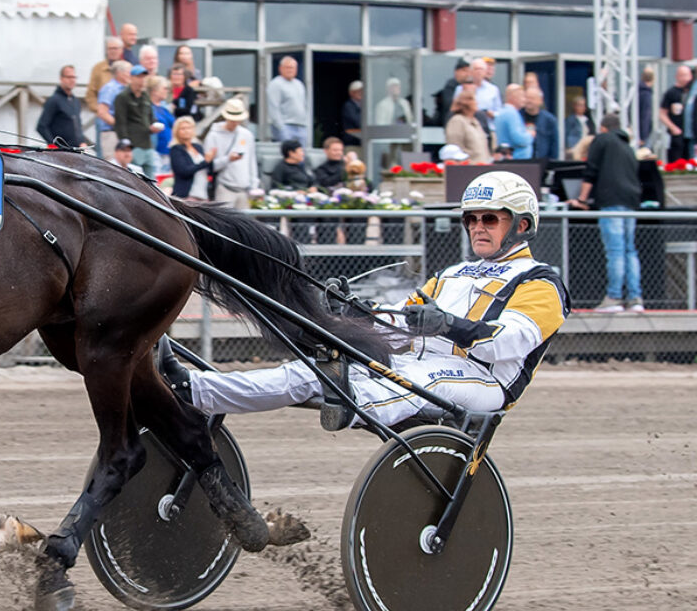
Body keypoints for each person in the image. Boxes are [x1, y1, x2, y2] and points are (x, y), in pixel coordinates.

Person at [159, 170, 570, 430]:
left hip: (482, 380)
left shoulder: (539, 281)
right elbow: (400, 325)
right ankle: (197, 391)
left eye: (490, 219)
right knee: (308, 372)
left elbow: (510, 342)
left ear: (523, 224)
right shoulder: (451, 274)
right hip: (422, 361)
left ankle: (353, 404)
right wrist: (353, 314)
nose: (478, 228)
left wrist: (445, 324)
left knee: (417, 383)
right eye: (472, 219)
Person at [569, 113, 643, 313]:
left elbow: (591, 171)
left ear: (603, 128)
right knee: (630, 250)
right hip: (631, 203)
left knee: (616, 251)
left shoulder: (601, 140)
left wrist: (582, 200)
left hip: (611, 202)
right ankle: (635, 299)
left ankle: (614, 298)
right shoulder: (628, 147)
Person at [203, 97, 258, 207]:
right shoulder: (213, 136)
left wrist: (254, 185)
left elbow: (252, 161)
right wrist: (228, 159)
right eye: (232, 119)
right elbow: (210, 165)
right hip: (225, 187)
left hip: (244, 189)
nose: (235, 122)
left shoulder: (247, 135)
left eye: (237, 119)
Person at [114, 66, 162, 179]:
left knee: (152, 181)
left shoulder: (145, 96)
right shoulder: (122, 97)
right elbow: (120, 123)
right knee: (135, 179)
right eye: (139, 77)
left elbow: (151, 117)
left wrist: (154, 126)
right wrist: (126, 147)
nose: (142, 80)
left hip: (147, 144)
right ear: (131, 78)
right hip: (134, 145)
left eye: (144, 77)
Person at [36, 64, 86, 149]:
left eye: (74, 77)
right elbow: (42, 126)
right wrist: (52, 144)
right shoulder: (54, 100)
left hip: (75, 150)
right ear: (61, 79)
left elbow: (77, 125)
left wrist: (82, 141)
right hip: (61, 152)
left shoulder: (75, 101)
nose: (72, 80)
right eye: (69, 77)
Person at [168, 116, 214, 200]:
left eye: (189, 128)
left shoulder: (198, 147)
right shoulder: (176, 149)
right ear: (176, 131)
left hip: (203, 193)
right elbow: (184, 171)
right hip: (187, 194)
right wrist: (205, 162)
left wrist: (210, 160)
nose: (186, 131)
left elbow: (207, 169)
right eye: (183, 128)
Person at [268, 56, 309, 145]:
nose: (290, 70)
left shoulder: (299, 84)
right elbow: (274, 108)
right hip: (286, 126)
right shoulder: (276, 84)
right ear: (280, 68)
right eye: (287, 67)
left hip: (301, 126)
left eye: (293, 67)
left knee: (301, 156)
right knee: (288, 154)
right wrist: (281, 127)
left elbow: (304, 106)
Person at [95, 60, 131, 159]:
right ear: (119, 73)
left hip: (121, 133)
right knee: (112, 163)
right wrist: (120, 125)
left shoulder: (125, 89)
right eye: (129, 72)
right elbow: (102, 112)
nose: (131, 75)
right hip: (111, 133)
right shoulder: (110, 89)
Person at [445, 92, 491, 163]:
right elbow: (455, 147)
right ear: (466, 103)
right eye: (474, 100)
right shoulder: (457, 121)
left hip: (482, 165)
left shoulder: (475, 121)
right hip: (468, 167)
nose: (477, 103)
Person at [84, 36, 124, 115]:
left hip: (122, 116)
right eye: (110, 48)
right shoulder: (98, 68)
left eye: (115, 48)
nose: (113, 51)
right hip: (103, 118)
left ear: (121, 50)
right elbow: (90, 94)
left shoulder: (128, 68)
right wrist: (99, 110)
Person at [493, 84, 533, 160]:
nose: (525, 100)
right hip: (518, 160)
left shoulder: (502, 112)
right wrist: (530, 134)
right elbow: (519, 139)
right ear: (514, 97)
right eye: (522, 96)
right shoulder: (511, 114)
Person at [660, 65, 691, 162]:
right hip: (677, 135)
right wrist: (672, 127)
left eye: (687, 75)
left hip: (690, 135)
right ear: (677, 76)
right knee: (676, 160)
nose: (685, 78)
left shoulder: (692, 92)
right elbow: (662, 113)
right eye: (682, 75)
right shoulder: (671, 93)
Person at [149, 75, 176, 174]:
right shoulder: (148, 108)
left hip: (169, 151)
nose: (167, 91)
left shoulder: (164, 109)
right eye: (164, 88)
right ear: (154, 90)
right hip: (156, 152)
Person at [523, 87, 559, 160]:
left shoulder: (549, 120)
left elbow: (554, 144)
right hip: (521, 162)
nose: (529, 101)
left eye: (532, 98)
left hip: (541, 163)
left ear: (540, 100)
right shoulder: (518, 117)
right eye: (527, 97)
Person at [432, 58, 470, 126]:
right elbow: (449, 104)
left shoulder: (471, 84)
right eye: (464, 70)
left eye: (468, 71)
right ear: (456, 71)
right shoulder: (451, 85)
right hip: (452, 123)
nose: (467, 74)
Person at [564, 95, 593, 160]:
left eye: (583, 105)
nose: (582, 108)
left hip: (586, 151)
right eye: (579, 105)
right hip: (575, 149)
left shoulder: (588, 121)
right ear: (575, 106)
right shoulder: (570, 120)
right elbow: (566, 135)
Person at [341, 80, 363, 146]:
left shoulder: (365, 106)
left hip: (362, 143)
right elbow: (358, 122)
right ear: (351, 93)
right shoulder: (348, 106)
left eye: (362, 91)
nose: (361, 93)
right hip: (352, 144)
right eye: (358, 91)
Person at [638, 67, 654, 148]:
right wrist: (643, 136)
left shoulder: (638, 91)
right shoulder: (646, 94)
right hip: (643, 133)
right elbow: (645, 115)